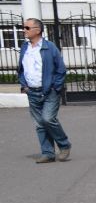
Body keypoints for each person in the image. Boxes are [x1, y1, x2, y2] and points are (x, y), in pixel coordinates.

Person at [19, 18, 70, 164]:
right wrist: (24, 85)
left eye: (27, 28)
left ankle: (64, 145)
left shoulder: (50, 47)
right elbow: (22, 69)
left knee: (48, 119)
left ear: (37, 30)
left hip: (49, 91)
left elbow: (61, 69)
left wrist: (56, 87)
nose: (24, 30)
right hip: (32, 91)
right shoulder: (25, 47)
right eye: (24, 27)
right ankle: (48, 153)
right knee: (40, 124)